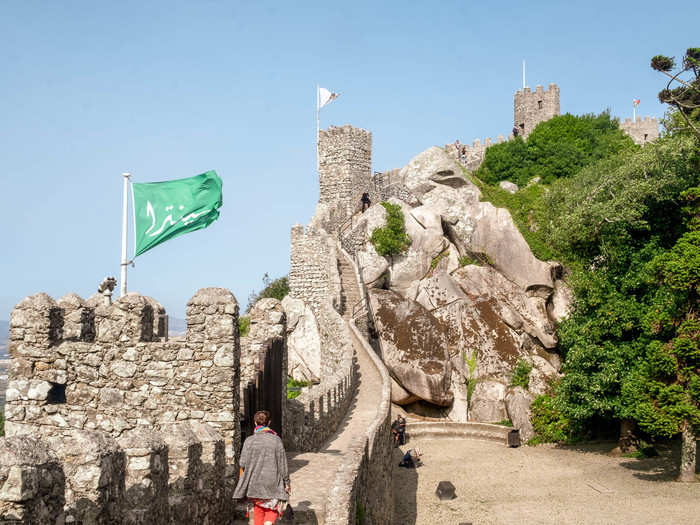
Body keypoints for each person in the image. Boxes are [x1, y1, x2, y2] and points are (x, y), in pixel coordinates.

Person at [233, 410, 290, 525]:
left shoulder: (249, 441)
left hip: (254, 482)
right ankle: (268, 523)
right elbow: (282, 463)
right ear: (269, 423)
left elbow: (242, 463)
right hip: (272, 481)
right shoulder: (276, 440)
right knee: (271, 508)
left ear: (255, 423)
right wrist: (287, 482)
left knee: (258, 508)